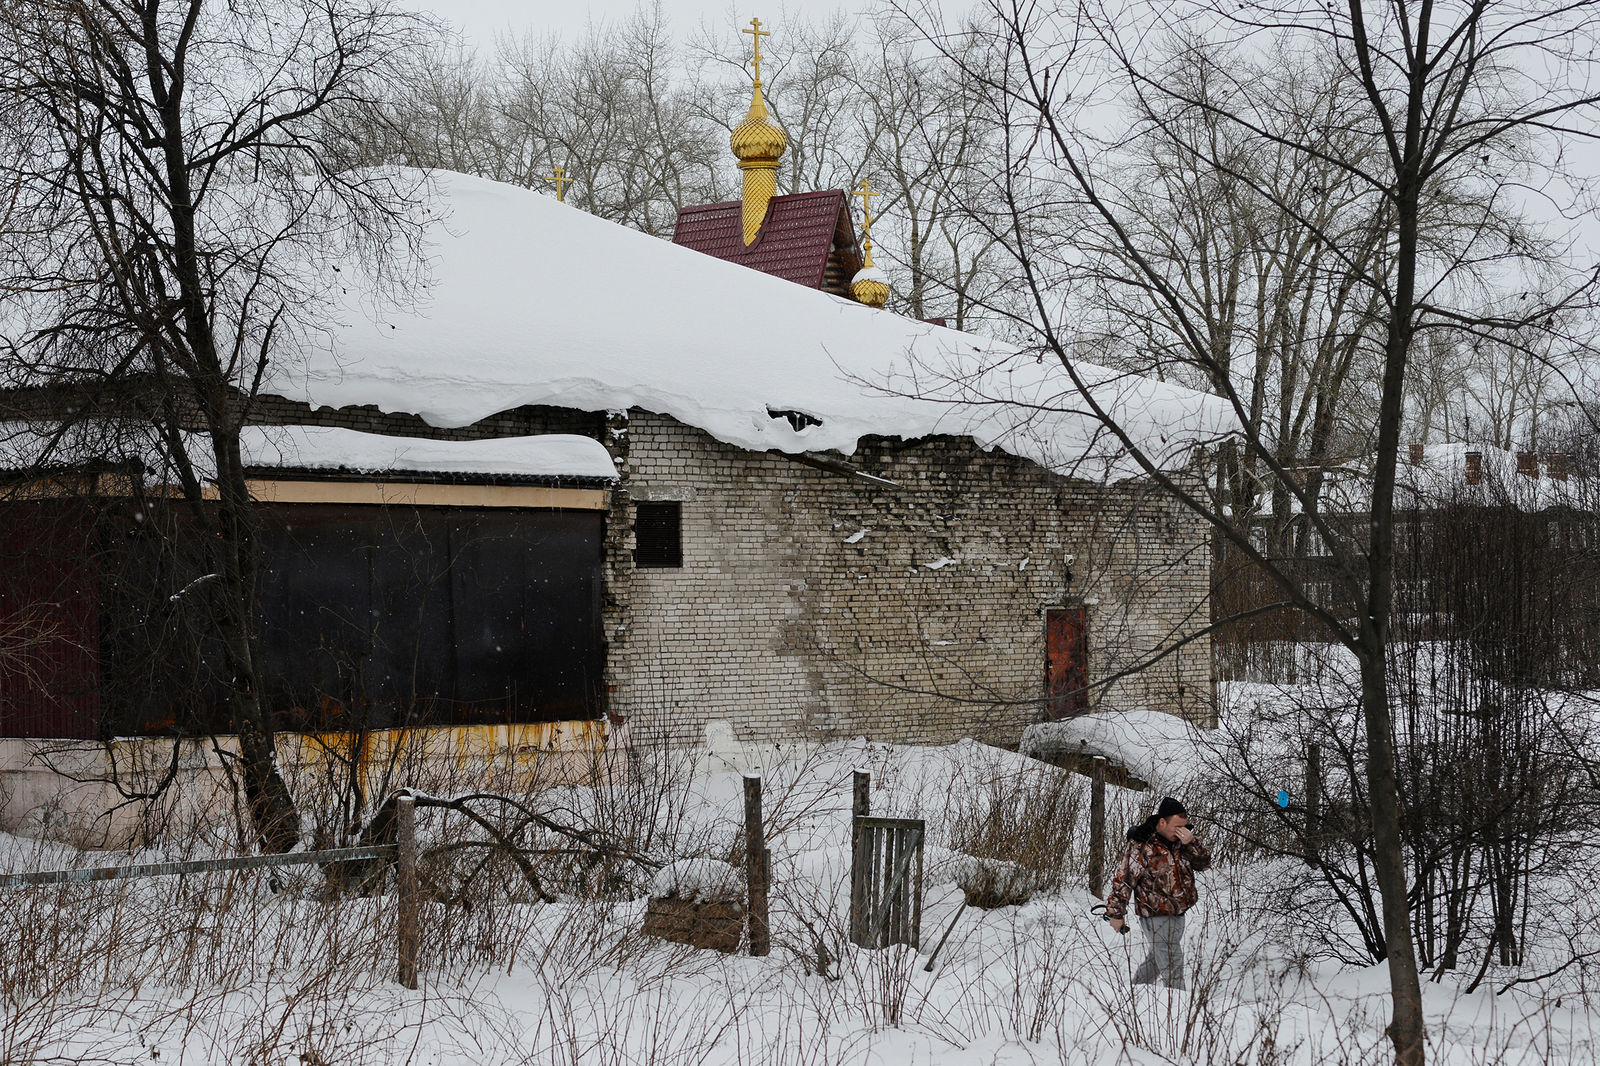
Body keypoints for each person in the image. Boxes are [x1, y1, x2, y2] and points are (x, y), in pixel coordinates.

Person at [1102, 796, 1211, 989]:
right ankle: (1179, 1006)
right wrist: (1115, 913)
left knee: (1158, 958)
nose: (1180, 832)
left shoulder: (1183, 842)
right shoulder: (1142, 844)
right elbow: (1124, 879)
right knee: (1171, 962)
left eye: (1184, 827)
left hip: (1179, 913)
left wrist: (1191, 842)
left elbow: (1203, 863)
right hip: (1155, 914)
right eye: (1176, 827)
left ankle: (1133, 992)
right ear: (1162, 822)